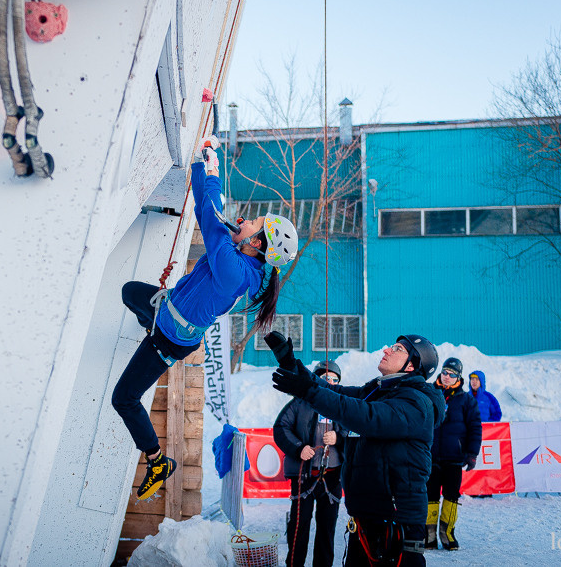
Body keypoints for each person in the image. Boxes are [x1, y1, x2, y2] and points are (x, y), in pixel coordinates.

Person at [113, 138, 299, 500]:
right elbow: (213, 214)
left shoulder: (234, 270)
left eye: (251, 223)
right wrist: (204, 168)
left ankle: (156, 460)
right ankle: (148, 321)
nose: (243, 221)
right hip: (165, 309)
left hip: (170, 338)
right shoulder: (240, 257)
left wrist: (210, 168)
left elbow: (210, 215)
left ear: (257, 244)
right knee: (129, 292)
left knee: (124, 398)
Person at [268, 332, 444, 567]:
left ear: (412, 365)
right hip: (366, 518)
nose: (387, 350)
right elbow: (335, 392)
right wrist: (291, 365)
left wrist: (307, 392)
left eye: (398, 349)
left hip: (396, 523)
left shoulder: (416, 402)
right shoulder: (378, 391)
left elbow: (364, 416)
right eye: (391, 345)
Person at [273, 360, 345, 567]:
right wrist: (298, 448)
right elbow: (281, 427)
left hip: (332, 476)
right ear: (315, 379)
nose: (330, 382)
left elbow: (354, 430)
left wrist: (338, 438)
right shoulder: (299, 402)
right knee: (299, 526)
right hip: (304, 474)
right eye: (325, 378)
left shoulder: (342, 403)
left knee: (327, 527)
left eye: (334, 380)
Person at [426, 357, 482, 551]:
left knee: (451, 497)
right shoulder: (430, 393)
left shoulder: (466, 400)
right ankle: (429, 534)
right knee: (429, 497)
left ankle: (447, 533)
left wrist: (472, 453)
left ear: (458, 377)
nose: (447, 377)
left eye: (451, 374)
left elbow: (475, 427)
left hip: (454, 458)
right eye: (444, 372)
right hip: (430, 457)